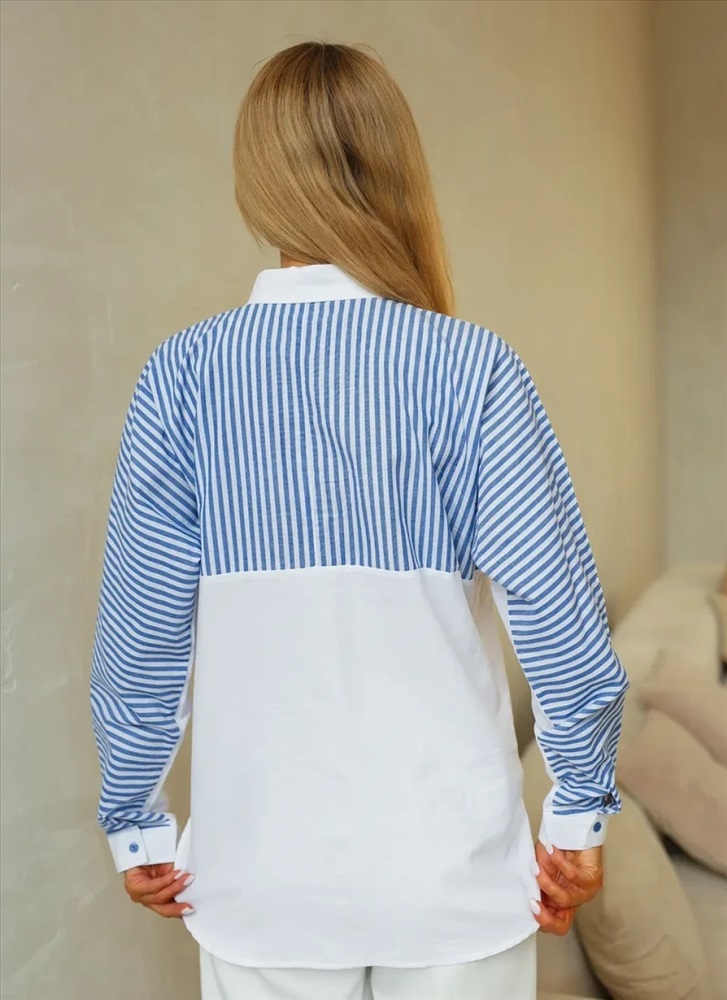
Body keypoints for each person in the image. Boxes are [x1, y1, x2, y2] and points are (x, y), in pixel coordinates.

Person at [91, 41, 628, 1000]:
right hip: (453, 879)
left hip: (261, 882)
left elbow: (142, 634)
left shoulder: (183, 378)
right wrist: (576, 818)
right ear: (396, 173)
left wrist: (134, 820)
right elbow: (560, 621)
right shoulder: (470, 369)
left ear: (256, 187)